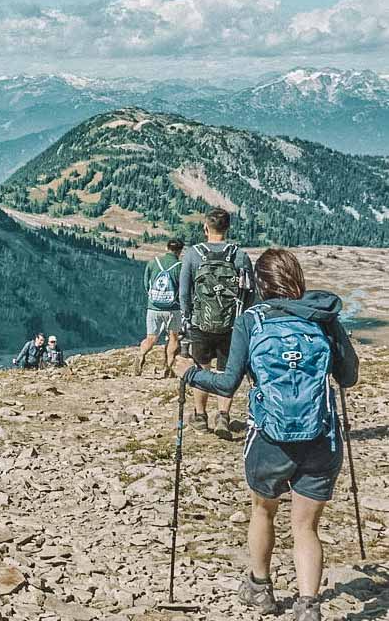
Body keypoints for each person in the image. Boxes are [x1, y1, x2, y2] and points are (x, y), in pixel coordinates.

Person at [182, 248, 358, 621]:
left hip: (269, 439)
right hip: (320, 438)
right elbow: (349, 377)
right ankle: (308, 606)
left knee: (263, 511)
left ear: (260, 285)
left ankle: (260, 588)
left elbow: (228, 384)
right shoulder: (323, 318)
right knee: (306, 526)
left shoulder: (252, 320)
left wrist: (190, 372)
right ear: (297, 279)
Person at [179, 208, 254, 439]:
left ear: (205, 228)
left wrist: (187, 317)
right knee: (225, 370)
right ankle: (223, 415)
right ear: (228, 228)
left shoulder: (193, 254)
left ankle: (200, 417)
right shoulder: (239, 255)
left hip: (200, 323)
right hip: (232, 325)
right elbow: (250, 291)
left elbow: (184, 291)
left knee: (202, 368)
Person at [135, 238, 185, 377]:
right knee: (173, 337)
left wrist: (154, 299)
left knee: (151, 337)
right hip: (173, 308)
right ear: (180, 251)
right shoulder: (180, 266)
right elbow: (184, 289)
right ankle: (168, 367)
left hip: (153, 307)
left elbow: (146, 285)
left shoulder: (153, 263)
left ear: (166, 248)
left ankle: (141, 354)